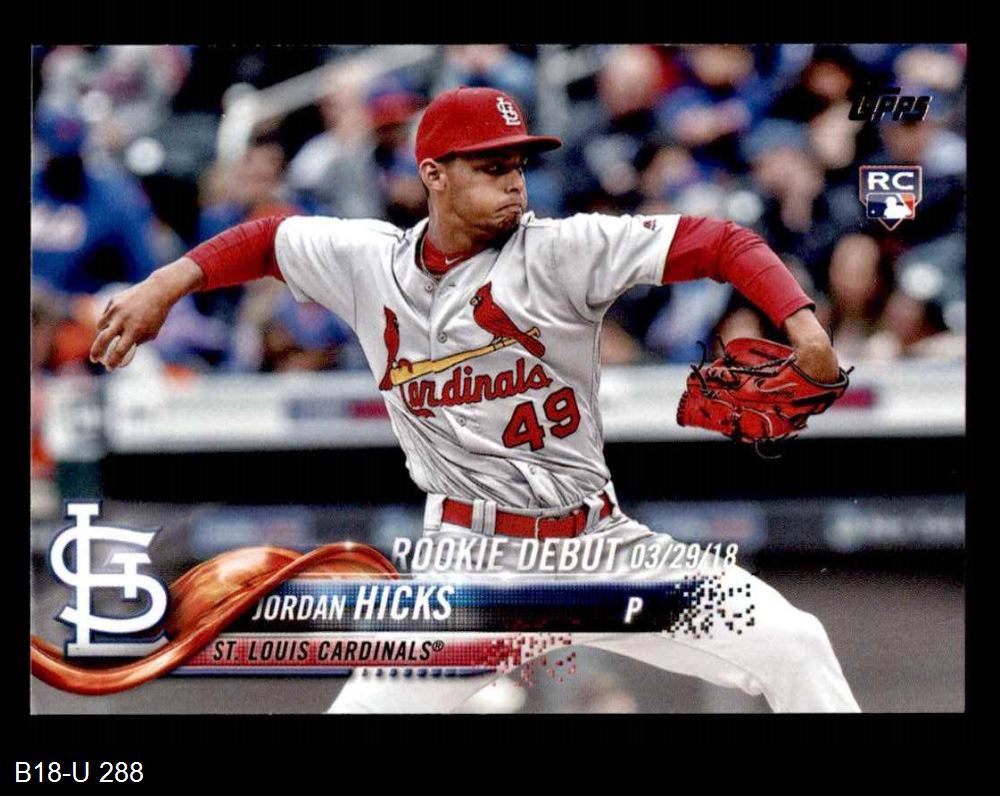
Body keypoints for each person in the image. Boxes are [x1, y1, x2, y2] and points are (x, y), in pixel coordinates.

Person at [90, 86, 860, 713]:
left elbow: (722, 242)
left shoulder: (562, 251)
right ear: (434, 174)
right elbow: (268, 240)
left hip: (599, 550)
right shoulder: (368, 263)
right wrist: (165, 283)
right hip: (468, 564)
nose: (515, 181)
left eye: (518, 164)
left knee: (795, 644)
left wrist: (802, 324)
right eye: (492, 166)